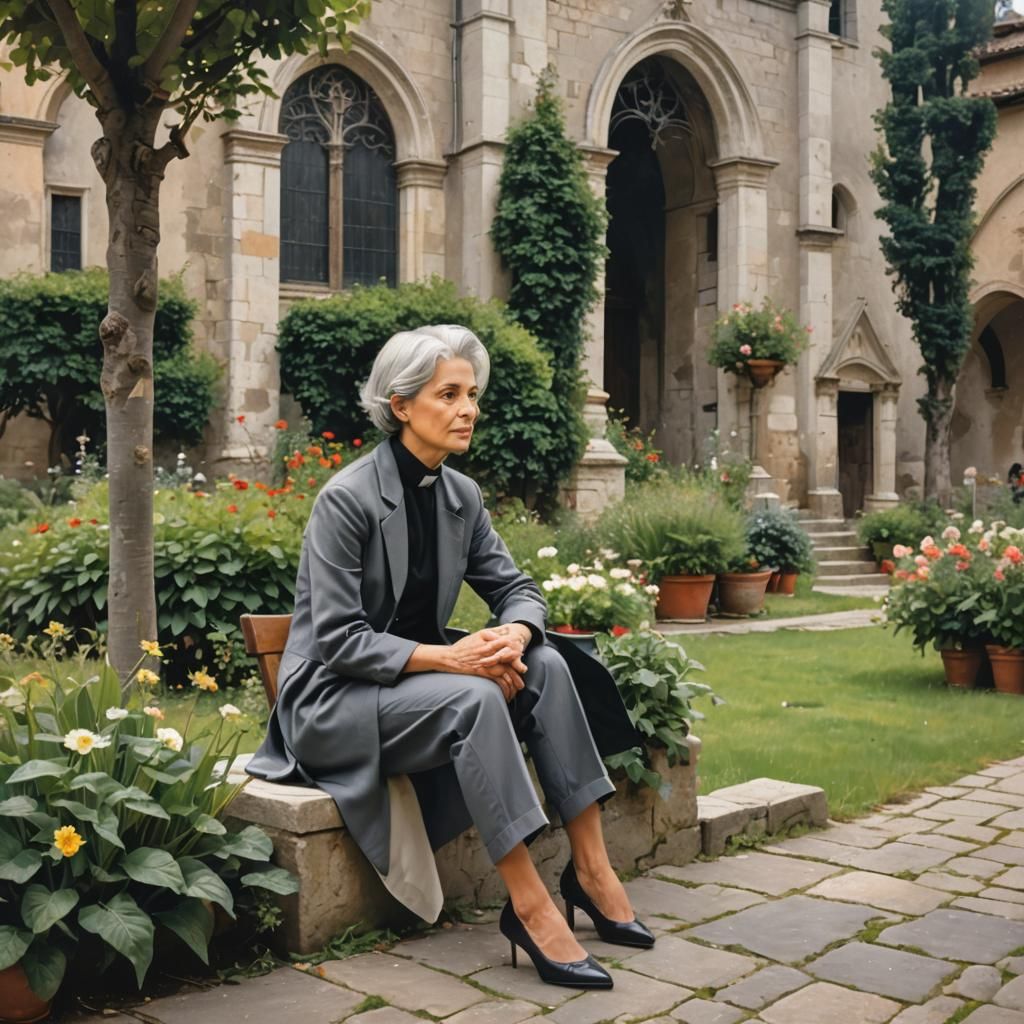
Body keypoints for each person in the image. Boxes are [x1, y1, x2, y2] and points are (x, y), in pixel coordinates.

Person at [246, 325, 653, 990]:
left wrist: (515, 636)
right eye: (450, 394)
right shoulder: (346, 500)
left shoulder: (461, 497)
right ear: (401, 405)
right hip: (333, 705)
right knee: (475, 695)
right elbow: (338, 641)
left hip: (413, 692)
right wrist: (455, 660)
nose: (469, 408)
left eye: (472, 394)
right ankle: (528, 905)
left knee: (547, 664)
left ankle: (592, 870)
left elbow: (519, 592)